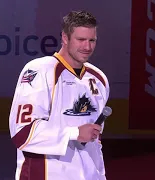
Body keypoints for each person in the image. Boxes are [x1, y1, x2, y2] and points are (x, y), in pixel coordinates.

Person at [8, 10, 110, 180]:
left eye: (92, 40)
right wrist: (73, 133)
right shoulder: (40, 71)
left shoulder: (98, 79)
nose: (87, 47)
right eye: (81, 40)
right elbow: (22, 133)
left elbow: (95, 142)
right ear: (65, 37)